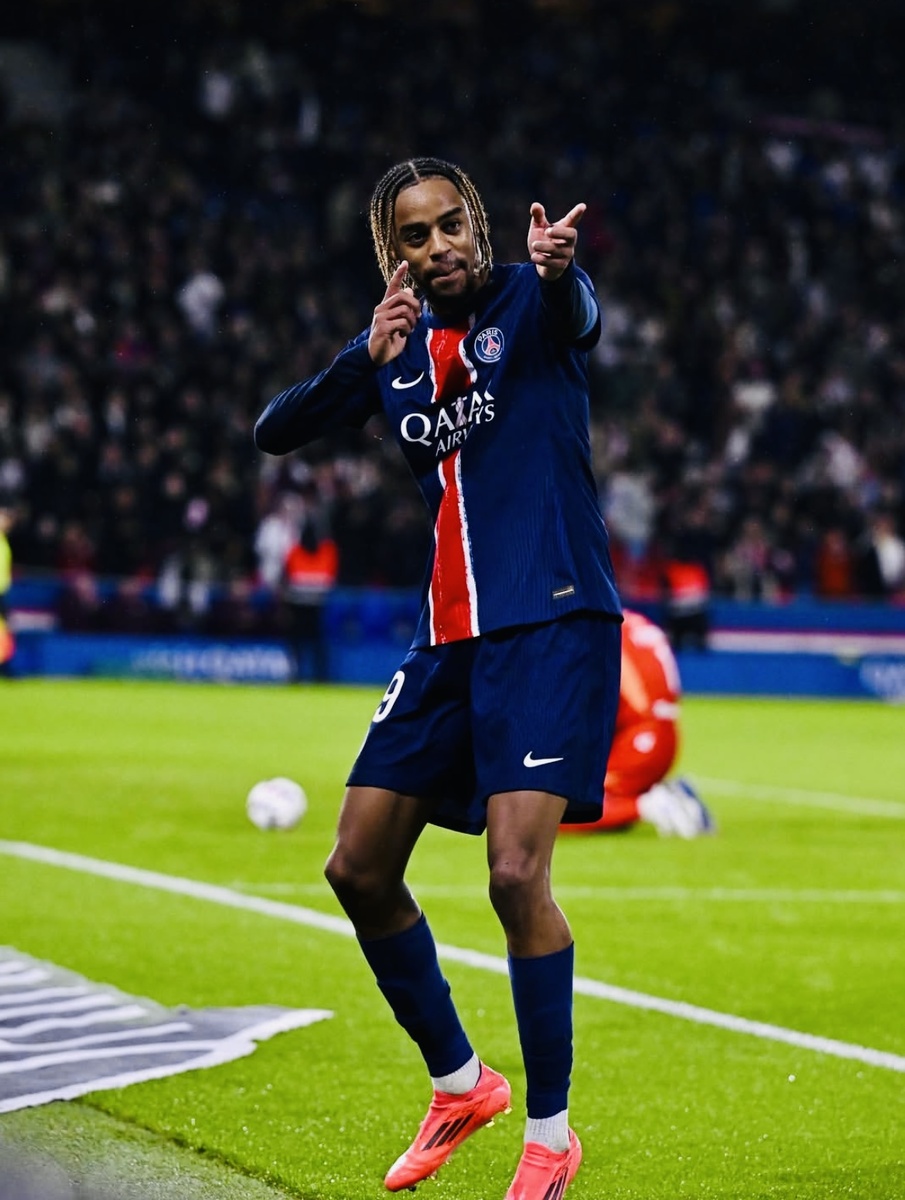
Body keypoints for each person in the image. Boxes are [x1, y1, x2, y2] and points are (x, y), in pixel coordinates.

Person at [255, 157, 623, 1200]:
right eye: (414, 236)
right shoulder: (398, 343)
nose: (439, 246)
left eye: (451, 224)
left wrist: (560, 271)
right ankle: (461, 1085)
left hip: (551, 619)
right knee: (357, 867)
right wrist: (360, 358)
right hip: (447, 639)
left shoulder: (529, 299)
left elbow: (581, 315)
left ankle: (549, 1136)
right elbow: (274, 430)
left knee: (514, 875)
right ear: (394, 255)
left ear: (479, 226)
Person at [562, 608, 714, 838]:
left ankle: (653, 806)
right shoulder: (634, 622)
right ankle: (663, 797)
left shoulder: (594, 629)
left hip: (637, 742)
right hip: (663, 733)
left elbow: (601, 701)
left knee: (557, 810)